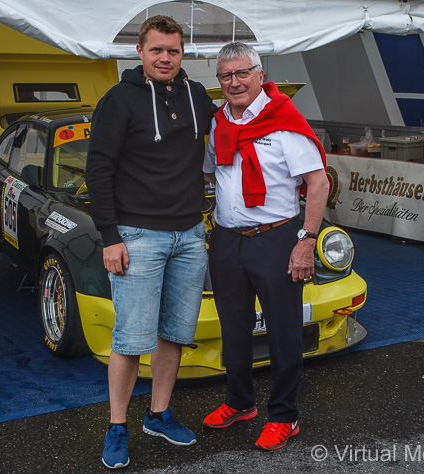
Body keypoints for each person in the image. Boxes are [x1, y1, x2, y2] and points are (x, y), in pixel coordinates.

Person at [85, 15, 216, 470]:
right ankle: (117, 425)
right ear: (139, 52)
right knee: (130, 338)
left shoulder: (198, 97)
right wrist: (110, 236)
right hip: (137, 236)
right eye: (156, 49)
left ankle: (158, 415)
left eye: (173, 51)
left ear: (183, 54)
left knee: (175, 334)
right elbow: (97, 169)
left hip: (190, 233)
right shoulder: (119, 100)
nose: (165, 58)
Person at [202, 42, 329, 451]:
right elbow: (210, 175)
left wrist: (306, 242)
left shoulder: (283, 121)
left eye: (243, 73)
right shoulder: (218, 121)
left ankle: (284, 415)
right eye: (226, 76)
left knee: (283, 330)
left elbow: (318, 182)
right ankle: (240, 402)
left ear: (260, 74)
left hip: (276, 238)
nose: (235, 82)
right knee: (234, 327)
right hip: (226, 239)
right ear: (219, 81)